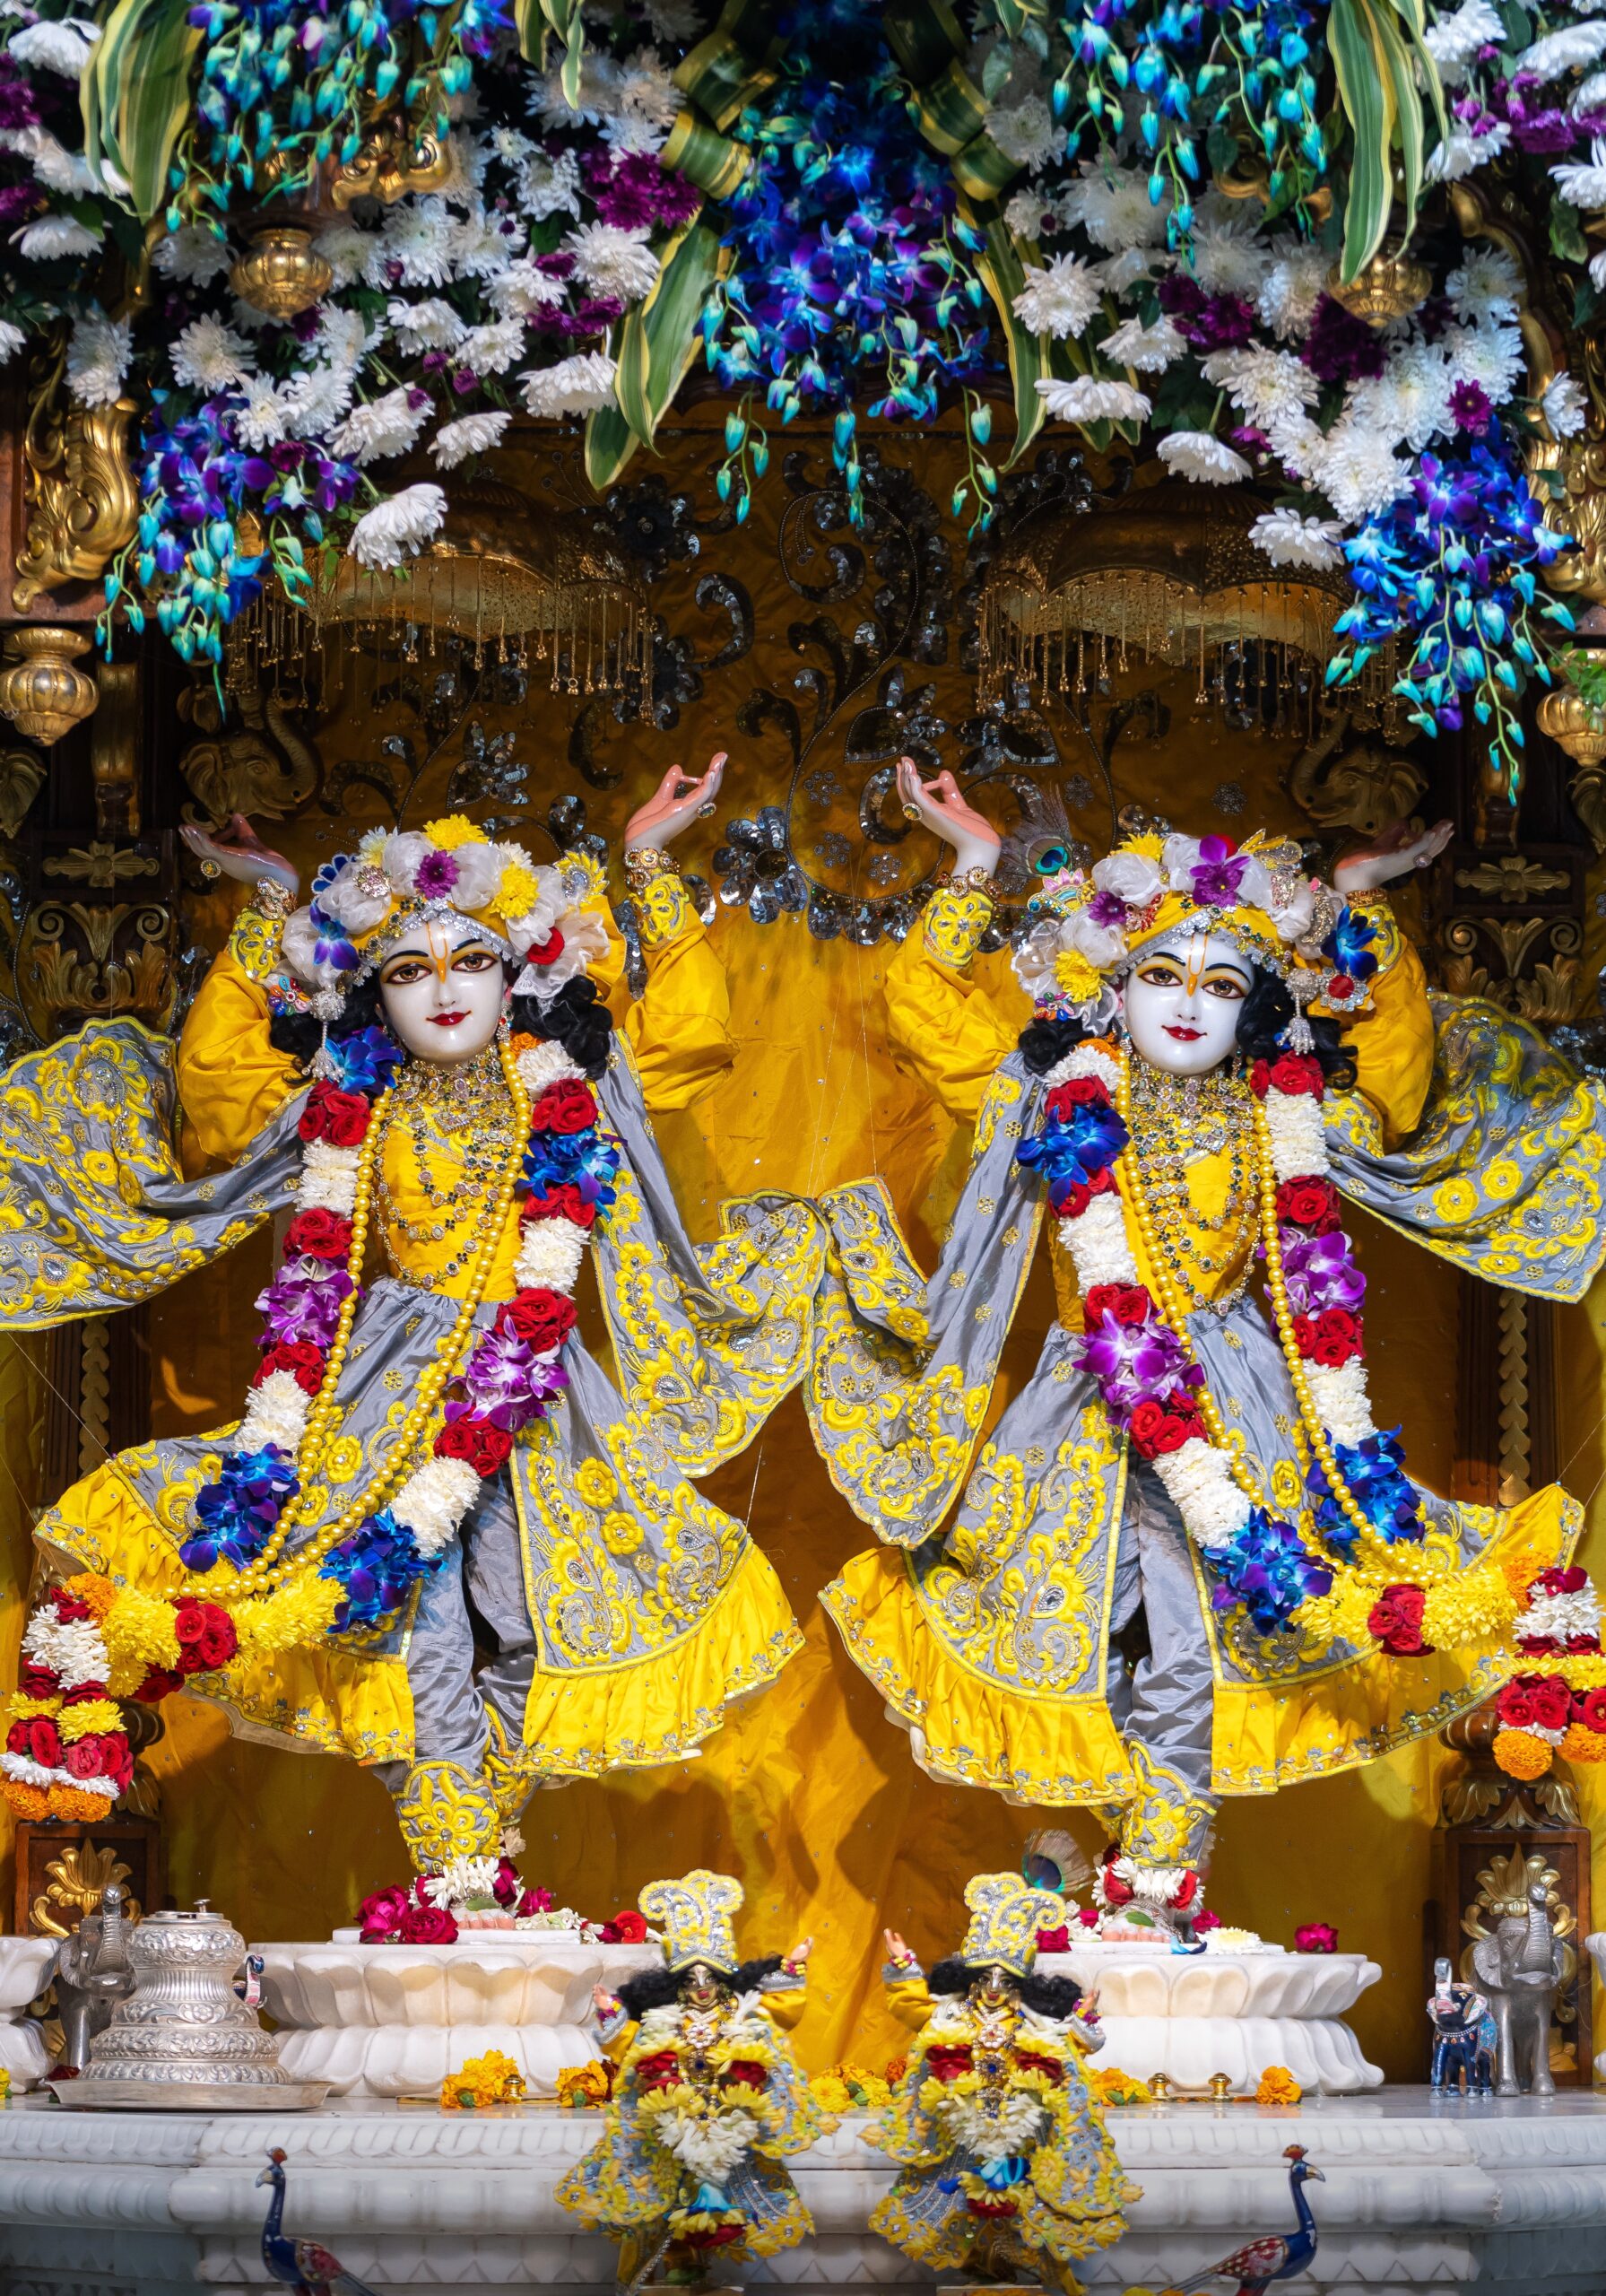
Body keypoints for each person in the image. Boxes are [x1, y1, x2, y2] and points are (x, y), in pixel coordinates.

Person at [804, 761, 1606, 1920]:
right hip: (1084, 1414)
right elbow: (924, 1010)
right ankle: (1134, 1878)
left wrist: (1348, 899)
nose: (1186, 1000)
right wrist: (972, 869)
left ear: (1254, 1006)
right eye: (1160, 974)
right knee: (1101, 1648)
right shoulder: (1054, 1088)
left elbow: (1396, 1074)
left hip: (1239, 1413)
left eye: (1220, 981)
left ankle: (1159, 1877)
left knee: (1190, 1643)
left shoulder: (1278, 1107)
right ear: (1111, 989)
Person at [0, 761, 822, 1870]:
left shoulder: (570, 1074)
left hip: (535, 1384)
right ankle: (452, 1866)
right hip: (379, 1370)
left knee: (539, 1615)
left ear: (520, 972)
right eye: (407, 967)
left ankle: (483, 1842)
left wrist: (648, 860)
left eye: (472, 959)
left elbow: (691, 1030)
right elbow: (213, 1102)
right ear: (365, 991)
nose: (444, 988)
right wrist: (266, 908)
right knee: (396, 1616)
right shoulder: (355, 1101)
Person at [558, 1869, 827, 2288]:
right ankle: (680, 2264)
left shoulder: (742, 2015)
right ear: (676, 1985)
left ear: (724, 1981)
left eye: (710, 1979)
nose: (702, 1989)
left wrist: (791, 1968)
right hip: (669, 2128)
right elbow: (632, 2049)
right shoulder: (663, 2022)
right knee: (668, 2203)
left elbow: (781, 2015)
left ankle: (703, 2262)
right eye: (690, 1980)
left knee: (721, 2197)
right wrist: (611, 2012)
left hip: (726, 2125)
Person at [869, 1872, 1135, 2293]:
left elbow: (1075, 2047)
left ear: (1020, 1985)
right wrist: (904, 1965)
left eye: (1005, 1981)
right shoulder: (952, 2014)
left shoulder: (1032, 2019)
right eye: (986, 1979)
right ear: (970, 1979)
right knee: (965, 2204)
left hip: (1020, 2128)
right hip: (962, 2126)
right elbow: (912, 2006)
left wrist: (1083, 2019)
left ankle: (1019, 2265)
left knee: (1019, 2200)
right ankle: (981, 2267)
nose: (994, 1990)